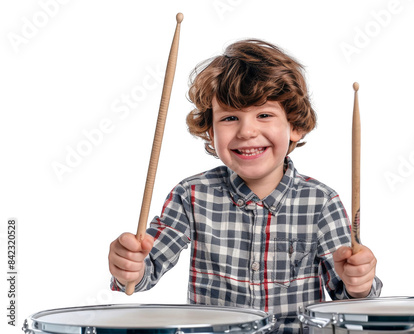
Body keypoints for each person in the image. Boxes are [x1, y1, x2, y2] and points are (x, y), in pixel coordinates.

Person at [108, 39, 382, 333]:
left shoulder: (322, 202)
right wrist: (130, 267)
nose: (247, 131)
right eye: (229, 118)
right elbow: (145, 270)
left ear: (295, 126)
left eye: (264, 115)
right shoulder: (191, 195)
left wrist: (358, 282)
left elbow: (349, 298)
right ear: (211, 132)